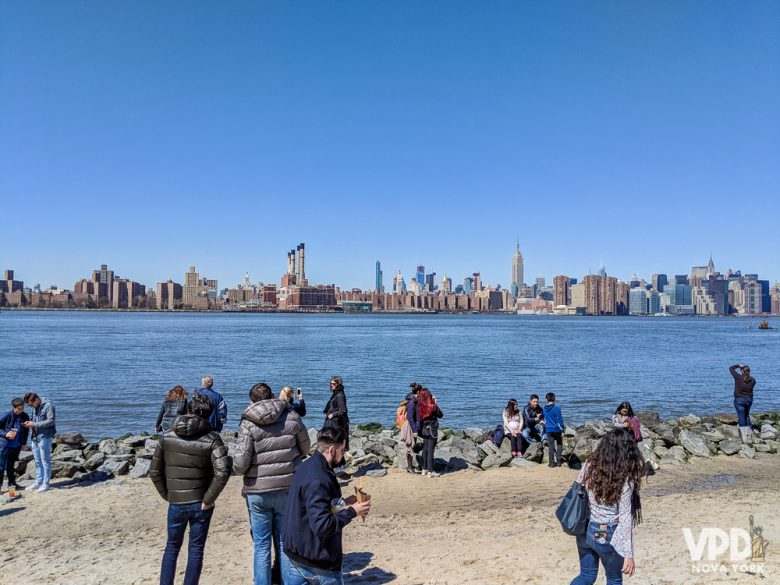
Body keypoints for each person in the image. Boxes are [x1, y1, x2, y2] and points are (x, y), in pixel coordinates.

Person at [233, 382, 311, 585]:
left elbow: (240, 465)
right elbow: (306, 447)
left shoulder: (247, 424)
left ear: (251, 401)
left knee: (261, 545)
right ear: (273, 396)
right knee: (285, 542)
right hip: (288, 485)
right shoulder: (291, 416)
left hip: (258, 490)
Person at [150, 394, 230, 585]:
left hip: (177, 501)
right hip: (200, 502)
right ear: (210, 413)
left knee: (171, 547)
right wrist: (209, 499)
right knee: (195, 550)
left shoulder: (167, 436)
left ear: (188, 409)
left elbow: (154, 471)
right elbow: (222, 473)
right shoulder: (212, 439)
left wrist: (168, 495)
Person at [282, 426, 371, 585]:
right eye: (342, 450)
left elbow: (312, 506)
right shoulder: (319, 479)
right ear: (331, 450)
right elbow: (322, 526)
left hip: (296, 552)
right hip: (316, 561)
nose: (344, 454)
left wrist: (343, 502)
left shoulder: (307, 465)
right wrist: (352, 512)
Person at [570, 429, 644, 585]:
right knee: (614, 579)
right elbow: (624, 518)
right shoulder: (624, 479)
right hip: (605, 531)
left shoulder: (590, 464)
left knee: (586, 576)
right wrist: (628, 555)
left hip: (584, 527)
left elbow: (578, 487)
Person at [22, 392, 56, 493]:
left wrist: (35, 424)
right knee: (37, 461)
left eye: (31, 404)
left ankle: (46, 483)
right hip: (35, 437)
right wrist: (29, 422)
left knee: (45, 461)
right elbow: (34, 420)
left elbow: (51, 421)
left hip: (45, 437)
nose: (31, 406)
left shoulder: (49, 405)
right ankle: (38, 481)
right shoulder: (35, 407)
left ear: (36, 400)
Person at [0, 397, 30, 491]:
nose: (21, 410)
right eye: (19, 409)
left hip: (16, 446)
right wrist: (6, 434)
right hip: (5, 446)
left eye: (22, 408)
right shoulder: (7, 415)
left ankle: (12, 484)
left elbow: (26, 431)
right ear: (14, 407)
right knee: (1, 467)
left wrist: (24, 443)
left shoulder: (25, 416)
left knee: (11, 466)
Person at [417, 388, 444, 477]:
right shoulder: (432, 406)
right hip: (432, 429)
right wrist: (435, 403)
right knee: (430, 451)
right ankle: (430, 471)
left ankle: (424, 469)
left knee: (425, 449)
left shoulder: (420, 405)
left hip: (424, 429)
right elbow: (440, 415)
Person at [730, 364, 756, 444]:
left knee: (741, 417)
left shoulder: (738, 377)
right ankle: (750, 431)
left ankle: (744, 436)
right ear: (749, 371)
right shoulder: (753, 380)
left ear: (742, 371)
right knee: (746, 415)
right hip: (749, 400)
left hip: (739, 400)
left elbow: (731, 368)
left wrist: (738, 365)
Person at [323, 376, 349, 451]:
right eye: (330, 384)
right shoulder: (336, 393)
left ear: (338, 384)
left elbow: (343, 410)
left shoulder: (339, 395)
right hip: (333, 421)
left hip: (337, 422)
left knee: (335, 442)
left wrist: (332, 415)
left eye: (333, 384)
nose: (331, 385)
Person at [543, 392, 565, 467]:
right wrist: (562, 430)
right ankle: (558, 461)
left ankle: (551, 463)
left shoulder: (544, 409)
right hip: (557, 429)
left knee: (551, 446)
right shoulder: (557, 409)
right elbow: (560, 420)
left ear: (546, 399)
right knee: (559, 444)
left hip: (548, 429)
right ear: (554, 399)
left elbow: (543, 419)